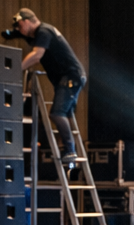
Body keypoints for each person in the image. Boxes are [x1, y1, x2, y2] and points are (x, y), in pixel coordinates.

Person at [14, 9, 86, 173]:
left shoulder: (43, 31)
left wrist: (16, 69)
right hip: (69, 77)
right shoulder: (44, 31)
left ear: (27, 20)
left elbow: (37, 55)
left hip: (70, 77)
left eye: (20, 25)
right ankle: (69, 148)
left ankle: (70, 151)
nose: (20, 29)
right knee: (65, 115)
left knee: (57, 113)